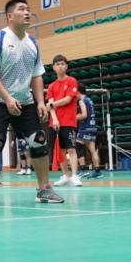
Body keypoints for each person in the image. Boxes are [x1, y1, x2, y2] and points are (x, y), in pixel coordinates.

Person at [0, 0, 64, 206]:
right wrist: (8, 98)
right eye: (22, 9)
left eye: (28, 9)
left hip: (26, 101)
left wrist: (40, 102)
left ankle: (44, 190)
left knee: (38, 141)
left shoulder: (32, 43)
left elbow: (37, 75)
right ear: (9, 16)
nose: (27, 12)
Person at [47, 55, 82, 187]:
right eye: (57, 64)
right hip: (55, 123)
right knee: (60, 151)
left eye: (62, 64)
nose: (60, 66)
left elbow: (68, 99)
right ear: (54, 67)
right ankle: (66, 176)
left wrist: (52, 104)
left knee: (71, 149)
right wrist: (55, 118)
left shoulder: (72, 81)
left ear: (66, 66)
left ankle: (74, 176)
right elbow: (50, 106)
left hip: (69, 122)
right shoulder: (51, 86)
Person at [76, 83, 102, 179]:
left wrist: (74, 117)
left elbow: (84, 115)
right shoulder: (89, 100)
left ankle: (83, 170)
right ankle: (97, 171)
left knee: (78, 145)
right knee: (93, 150)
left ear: (78, 91)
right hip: (93, 127)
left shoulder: (82, 101)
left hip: (85, 127)